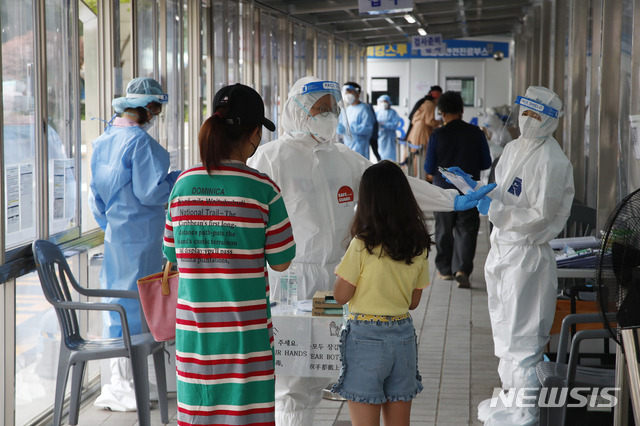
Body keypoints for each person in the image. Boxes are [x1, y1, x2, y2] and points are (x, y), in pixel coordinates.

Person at [247, 76, 496, 426]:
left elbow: (395, 184)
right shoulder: (270, 159)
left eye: (334, 107)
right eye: (322, 108)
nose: (331, 113)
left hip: (336, 276)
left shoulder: (344, 158)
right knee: (290, 381)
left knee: (323, 370)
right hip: (288, 279)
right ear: (297, 110)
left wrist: (450, 199)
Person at [162, 83, 296, 425]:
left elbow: (172, 256)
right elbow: (281, 260)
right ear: (254, 134)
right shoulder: (263, 189)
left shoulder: (183, 186)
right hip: (245, 336)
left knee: (199, 416)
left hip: (194, 336)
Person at [450, 86, 574, 425]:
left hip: (527, 258)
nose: (529, 120)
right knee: (505, 336)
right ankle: (510, 397)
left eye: (537, 115)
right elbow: (501, 194)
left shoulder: (552, 160)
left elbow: (541, 217)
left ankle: (527, 412)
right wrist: (474, 189)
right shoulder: (514, 148)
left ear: (551, 121)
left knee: (524, 342)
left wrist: (498, 211)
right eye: (527, 113)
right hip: (503, 251)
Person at [89, 77, 181, 411]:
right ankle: (122, 384)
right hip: (142, 238)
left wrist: (113, 226)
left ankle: (123, 379)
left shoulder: (103, 140)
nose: (156, 115)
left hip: (116, 236)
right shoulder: (142, 145)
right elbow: (150, 192)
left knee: (119, 308)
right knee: (136, 308)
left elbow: (95, 198)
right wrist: (176, 181)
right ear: (146, 108)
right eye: (156, 108)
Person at [332, 160, 430, 426]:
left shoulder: (362, 244)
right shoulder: (418, 244)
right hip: (403, 339)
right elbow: (413, 301)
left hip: (365, 339)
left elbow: (341, 296)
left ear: (367, 202)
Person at [423, 91, 492, 287]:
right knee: (467, 230)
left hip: (443, 192)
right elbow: (486, 163)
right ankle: (462, 269)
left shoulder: (437, 135)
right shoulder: (477, 133)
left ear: (441, 112)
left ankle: (445, 271)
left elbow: (429, 168)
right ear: (462, 111)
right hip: (470, 191)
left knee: (443, 230)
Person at [404, 92, 441, 178]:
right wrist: (440, 122)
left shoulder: (424, 102)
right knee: (423, 153)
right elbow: (429, 121)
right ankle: (424, 176)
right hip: (422, 131)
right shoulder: (430, 104)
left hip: (415, 131)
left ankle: (415, 175)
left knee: (415, 155)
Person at [337, 81, 375, 159]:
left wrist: (350, 128)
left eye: (349, 92)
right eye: (346, 92)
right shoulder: (347, 110)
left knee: (361, 169)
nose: (347, 94)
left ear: (357, 92)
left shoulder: (365, 108)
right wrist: (340, 128)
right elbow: (342, 126)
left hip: (360, 147)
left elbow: (368, 129)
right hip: (348, 146)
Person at [375, 94, 401, 161]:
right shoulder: (378, 113)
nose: (384, 103)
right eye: (382, 101)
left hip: (390, 137)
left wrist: (384, 125)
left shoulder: (393, 113)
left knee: (390, 154)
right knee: (381, 153)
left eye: (385, 101)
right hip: (381, 136)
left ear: (389, 102)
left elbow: (395, 124)